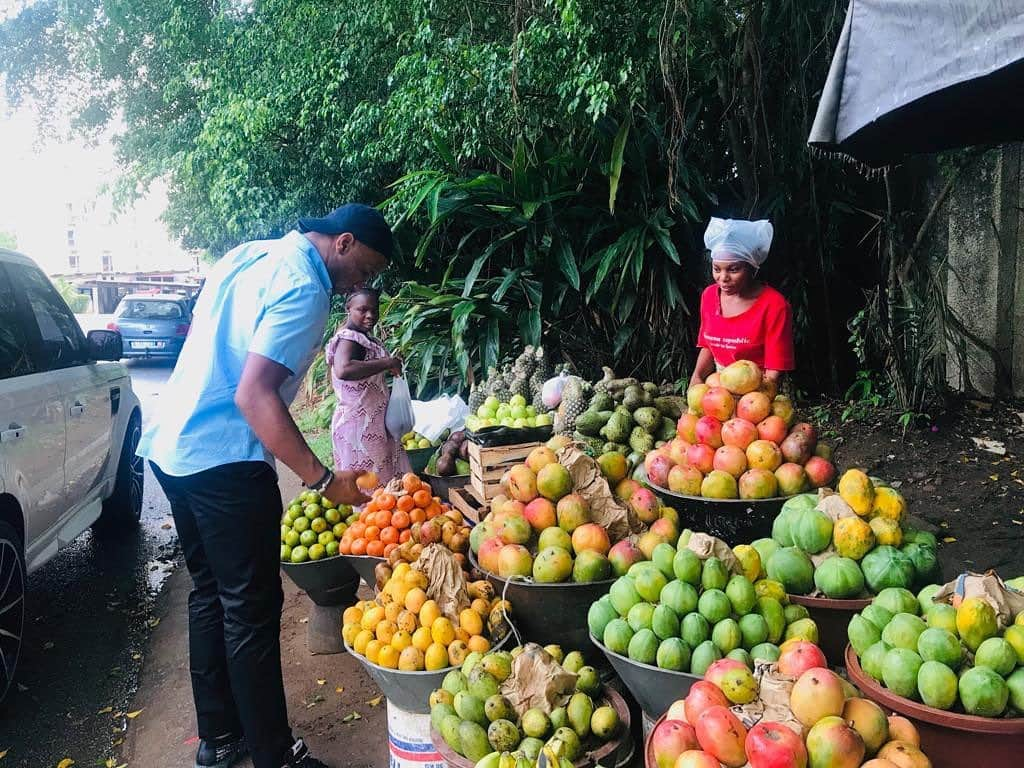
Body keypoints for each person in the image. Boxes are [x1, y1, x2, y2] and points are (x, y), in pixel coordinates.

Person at [136, 204, 393, 768]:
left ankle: (220, 742)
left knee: (212, 597)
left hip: (173, 449)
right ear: (344, 242)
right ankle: (276, 755)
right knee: (251, 611)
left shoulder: (250, 254)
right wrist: (324, 480)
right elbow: (254, 395)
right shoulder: (306, 287)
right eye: (365, 270)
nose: (362, 284)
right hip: (224, 460)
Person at [689, 217, 795, 388]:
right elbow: (708, 346)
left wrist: (755, 401)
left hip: (759, 387)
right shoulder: (709, 296)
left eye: (733, 269)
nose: (723, 278)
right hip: (718, 389)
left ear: (751, 267)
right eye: (717, 269)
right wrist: (697, 379)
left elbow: (775, 368)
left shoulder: (775, 305)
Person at [326, 287, 410, 488]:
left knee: (383, 492)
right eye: (362, 310)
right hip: (359, 429)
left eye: (374, 310)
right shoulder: (349, 337)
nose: (370, 315)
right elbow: (344, 369)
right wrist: (387, 363)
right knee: (372, 492)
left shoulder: (361, 336)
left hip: (369, 424)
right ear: (348, 308)